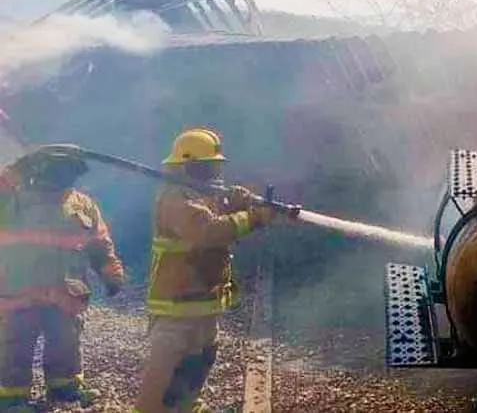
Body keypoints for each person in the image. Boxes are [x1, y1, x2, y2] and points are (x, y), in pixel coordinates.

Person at [133, 128, 282, 413]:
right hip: (176, 304)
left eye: (216, 167)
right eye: (209, 167)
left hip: (203, 301)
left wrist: (235, 204)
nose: (215, 173)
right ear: (189, 166)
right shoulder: (175, 198)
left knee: (200, 361)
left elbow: (218, 221)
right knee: (163, 374)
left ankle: (187, 407)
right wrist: (252, 217)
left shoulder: (201, 195)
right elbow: (207, 231)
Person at [0, 148, 125, 412]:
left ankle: (65, 388)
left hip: (65, 291)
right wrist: (15, 170)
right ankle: (11, 397)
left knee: (66, 342)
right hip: (20, 290)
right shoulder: (12, 198)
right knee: (15, 344)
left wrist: (110, 272)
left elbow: (99, 243)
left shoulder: (81, 203)